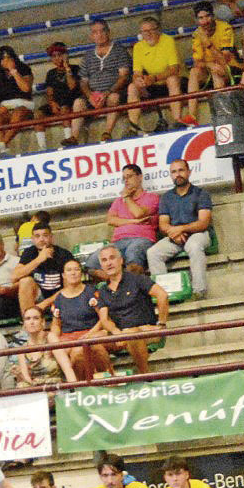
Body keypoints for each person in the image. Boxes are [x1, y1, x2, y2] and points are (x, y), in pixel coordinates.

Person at [92, 244, 170, 377]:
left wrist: (161, 324)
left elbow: (162, 295)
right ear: (101, 266)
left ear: (121, 260)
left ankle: (145, 375)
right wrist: (116, 332)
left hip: (146, 329)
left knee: (131, 333)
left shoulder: (137, 279)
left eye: (112, 258)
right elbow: (104, 319)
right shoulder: (103, 290)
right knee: (92, 342)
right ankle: (111, 379)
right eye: (104, 260)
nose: (109, 263)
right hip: (120, 333)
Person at [147, 159, 215, 296]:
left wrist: (180, 229)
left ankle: (199, 291)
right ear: (170, 175)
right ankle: (164, 295)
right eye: (174, 172)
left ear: (189, 172)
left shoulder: (201, 194)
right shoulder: (166, 197)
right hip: (175, 237)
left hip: (199, 234)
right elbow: (163, 224)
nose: (178, 174)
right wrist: (174, 233)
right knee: (153, 253)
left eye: (181, 170)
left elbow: (203, 222)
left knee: (194, 246)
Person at [49, 257, 107, 382]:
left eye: (76, 269)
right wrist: (54, 339)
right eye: (69, 270)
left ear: (81, 273)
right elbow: (56, 324)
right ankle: (79, 385)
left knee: (79, 351)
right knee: (60, 352)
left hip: (92, 333)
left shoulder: (91, 291)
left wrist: (89, 335)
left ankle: (96, 383)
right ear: (63, 275)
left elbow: (103, 318)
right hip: (69, 337)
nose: (73, 273)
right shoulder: (58, 298)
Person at [127, 16, 182, 133]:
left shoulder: (168, 40)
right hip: (153, 84)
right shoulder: (138, 47)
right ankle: (133, 128)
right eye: (144, 31)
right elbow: (136, 73)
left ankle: (178, 120)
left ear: (158, 30)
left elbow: (174, 69)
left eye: (151, 30)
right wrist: (138, 80)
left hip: (171, 82)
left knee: (172, 79)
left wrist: (154, 78)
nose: (148, 34)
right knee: (132, 86)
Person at [186, 4, 237, 124]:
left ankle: (223, 114)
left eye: (207, 16)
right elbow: (197, 62)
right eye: (201, 18)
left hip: (230, 68)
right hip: (211, 68)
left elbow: (224, 59)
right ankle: (192, 117)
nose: (205, 21)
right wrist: (210, 65)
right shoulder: (197, 34)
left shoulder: (225, 28)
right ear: (197, 20)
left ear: (213, 16)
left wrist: (208, 44)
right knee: (194, 72)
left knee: (216, 71)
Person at [80, 19, 129, 144]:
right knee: (77, 103)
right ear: (91, 36)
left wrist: (107, 93)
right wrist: (89, 96)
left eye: (102, 31)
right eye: (95, 32)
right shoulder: (88, 55)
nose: (99, 35)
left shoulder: (119, 50)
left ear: (108, 32)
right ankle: (74, 138)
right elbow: (83, 81)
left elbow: (123, 77)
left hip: (113, 92)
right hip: (93, 95)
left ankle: (107, 132)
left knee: (113, 98)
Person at [13, 213, 72, 314]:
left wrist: (45, 304)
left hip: (60, 298)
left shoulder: (64, 254)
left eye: (45, 235)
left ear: (51, 237)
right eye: (37, 236)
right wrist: (39, 259)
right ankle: (29, 322)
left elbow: (70, 287)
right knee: (25, 281)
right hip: (38, 297)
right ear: (33, 239)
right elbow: (14, 276)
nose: (41, 239)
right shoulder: (29, 252)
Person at [106, 164, 160, 270]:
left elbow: (138, 213)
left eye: (129, 176)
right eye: (124, 178)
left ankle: (133, 285)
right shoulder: (118, 201)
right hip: (118, 241)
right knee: (93, 261)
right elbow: (110, 220)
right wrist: (134, 222)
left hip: (142, 239)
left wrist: (127, 197)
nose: (126, 181)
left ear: (140, 177)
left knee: (133, 252)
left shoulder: (152, 197)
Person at [0, 45, 36, 156]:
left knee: (18, 113)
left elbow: (26, 88)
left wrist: (14, 72)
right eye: (3, 58)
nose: (6, 60)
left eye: (8, 57)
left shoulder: (23, 69)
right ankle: (2, 147)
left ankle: (2, 144)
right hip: (6, 106)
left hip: (24, 104)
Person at [38, 42, 88, 144]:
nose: (57, 58)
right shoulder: (51, 73)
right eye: (54, 56)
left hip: (71, 101)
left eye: (59, 55)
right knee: (38, 114)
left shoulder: (75, 69)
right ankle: (41, 146)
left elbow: (72, 86)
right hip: (57, 102)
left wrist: (67, 68)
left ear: (65, 56)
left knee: (64, 109)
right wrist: (52, 103)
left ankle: (69, 139)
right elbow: (50, 92)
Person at [10, 306, 73, 386]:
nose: (31, 322)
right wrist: (20, 375)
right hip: (36, 391)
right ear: (24, 324)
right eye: (28, 319)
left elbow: (67, 368)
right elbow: (27, 380)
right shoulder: (22, 349)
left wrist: (74, 390)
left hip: (56, 387)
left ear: (42, 322)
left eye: (35, 318)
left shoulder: (51, 338)